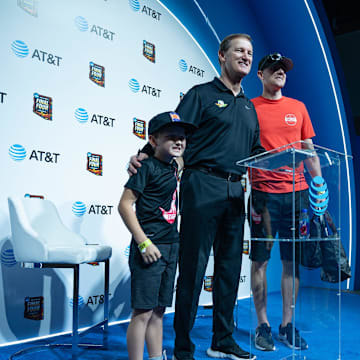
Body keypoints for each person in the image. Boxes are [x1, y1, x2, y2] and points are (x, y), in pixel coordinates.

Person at [129, 33, 263, 360]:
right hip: (201, 184)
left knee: (230, 269)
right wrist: (142, 155)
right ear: (222, 55)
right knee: (193, 267)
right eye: (239, 51)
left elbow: (255, 152)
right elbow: (171, 132)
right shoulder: (201, 95)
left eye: (249, 52)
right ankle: (183, 347)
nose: (246, 56)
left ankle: (222, 340)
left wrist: (282, 164)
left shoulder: (248, 106)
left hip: (236, 191)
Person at [249, 53, 322, 352]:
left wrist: (319, 187)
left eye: (283, 70)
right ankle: (262, 325)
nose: (279, 73)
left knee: (291, 263)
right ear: (261, 75)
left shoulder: (298, 107)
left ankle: (286, 326)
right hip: (263, 196)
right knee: (260, 262)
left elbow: (310, 150)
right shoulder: (249, 108)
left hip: (297, 195)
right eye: (273, 69)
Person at [118, 111, 196, 360]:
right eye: (171, 137)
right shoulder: (145, 167)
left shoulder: (175, 165)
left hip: (172, 245)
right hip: (150, 247)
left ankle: (155, 357)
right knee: (142, 312)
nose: (178, 142)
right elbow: (124, 205)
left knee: (159, 311)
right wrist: (143, 242)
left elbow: (182, 158)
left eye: (182, 137)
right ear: (153, 140)